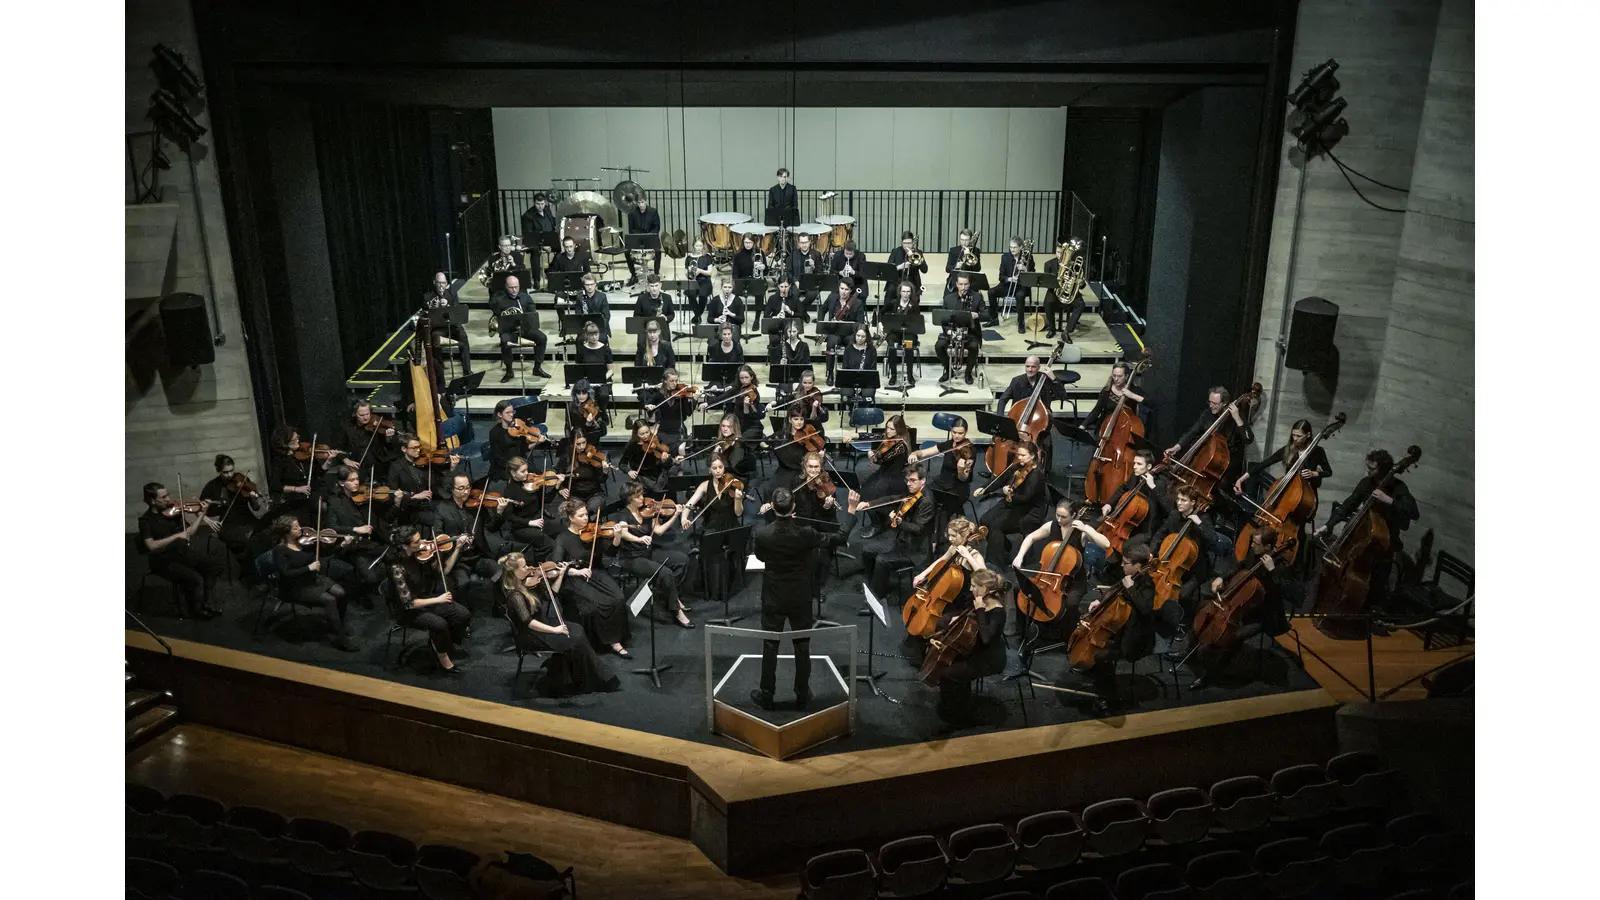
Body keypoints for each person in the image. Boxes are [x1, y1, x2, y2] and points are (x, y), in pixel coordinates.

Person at [750, 487, 851, 710]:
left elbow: (760, 556)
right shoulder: (806, 534)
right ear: (793, 508)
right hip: (800, 596)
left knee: (770, 645)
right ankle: (802, 694)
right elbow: (839, 538)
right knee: (802, 646)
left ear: (774, 508)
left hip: (774, 596)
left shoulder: (763, 534)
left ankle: (767, 694)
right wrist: (851, 512)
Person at [499, 552, 620, 695]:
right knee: (574, 639)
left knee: (578, 630)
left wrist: (561, 575)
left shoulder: (529, 583)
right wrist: (555, 630)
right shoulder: (515, 596)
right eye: (524, 567)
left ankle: (584, 676)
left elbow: (552, 595)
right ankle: (588, 679)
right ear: (514, 572)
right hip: (531, 634)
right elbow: (528, 622)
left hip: (541, 625)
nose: (530, 568)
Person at [1315, 448, 1420, 610]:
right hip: (1362, 538)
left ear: (1383, 469)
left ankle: (1368, 613)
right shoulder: (1366, 483)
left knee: (1375, 584)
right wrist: (1328, 525)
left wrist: (1390, 501)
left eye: (1372, 469)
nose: (1368, 471)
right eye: (1368, 467)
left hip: (1384, 543)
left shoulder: (1399, 488)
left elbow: (1414, 513)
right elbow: (1347, 506)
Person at [1186, 526, 1289, 690]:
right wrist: (1221, 578)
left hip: (1261, 615)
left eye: (1256, 544)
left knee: (1231, 636)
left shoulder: (1280, 566)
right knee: (1203, 610)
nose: (1252, 546)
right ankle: (1188, 653)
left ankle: (1210, 675)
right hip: (1238, 605)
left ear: (1268, 547)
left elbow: (1285, 592)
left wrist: (1272, 571)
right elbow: (1239, 567)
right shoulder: (1255, 554)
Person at [1072, 539, 1158, 716]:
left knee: (1101, 656)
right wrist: (1100, 601)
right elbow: (1114, 590)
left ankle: (1111, 698)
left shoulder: (1147, 584)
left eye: (1126, 563)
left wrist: (1132, 589)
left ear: (1139, 567)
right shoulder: (1129, 577)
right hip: (1119, 630)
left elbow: (1146, 609)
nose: (1121, 565)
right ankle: (1098, 677)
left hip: (1134, 639)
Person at [929, 568, 1010, 730]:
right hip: (975, 649)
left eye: (973, 586)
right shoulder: (978, 600)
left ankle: (961, 716)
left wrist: (979, 610)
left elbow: (986, 639)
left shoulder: (998, 612)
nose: (970, 589)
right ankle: (956, 705)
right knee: (950, 664)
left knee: (948, 674)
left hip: (989, 659)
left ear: (984, 589)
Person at [550, 499, 632, 657]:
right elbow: (557, 565)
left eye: (586, 514)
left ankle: (615, 639)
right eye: (581, 516)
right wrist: (576, 572)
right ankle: (599, 643)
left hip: (596, 571)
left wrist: (617, 537)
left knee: (618, 598)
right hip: (574, 577)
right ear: (571, 518)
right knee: (594, 606)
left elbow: (610, 553)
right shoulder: (563, 538)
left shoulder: (595, 531)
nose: (586, 518)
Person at [386, 525, 473, 675]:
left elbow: (444, 571)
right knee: (439, 624)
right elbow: (409, 603)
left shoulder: (421, 556)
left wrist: (457, 548)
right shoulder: (397, 568)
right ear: (405, 546)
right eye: (417, 542)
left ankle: (440, 643)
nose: (422, 544)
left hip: (426, 598)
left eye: (421, 539)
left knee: (463, 614)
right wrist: (439, 599)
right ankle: (443, 658)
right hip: (408, 610)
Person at [269, 516, 359, 651]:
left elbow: (327, 554)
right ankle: (341, 638)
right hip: (295, 587)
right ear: (286, 532)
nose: (301, 529)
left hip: (312, 579)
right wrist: (309, 568)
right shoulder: (280, 550)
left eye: (299, 525)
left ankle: (336, 623)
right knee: (329, 600)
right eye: (296, 528)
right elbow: (285, 574)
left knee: (341, 593)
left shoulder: (305, 543)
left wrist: (342, 545)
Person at [610, 482, 693, 628]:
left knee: (682, 560)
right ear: (629, 498)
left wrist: (676, 515)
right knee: (665, 573)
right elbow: (623, 532)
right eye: (637, 496)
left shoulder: (649, 511)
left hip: (648, 552)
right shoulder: (622, 514)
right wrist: (639, 539)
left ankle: (670, 594)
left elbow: (659, 531)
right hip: (632, 558)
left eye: (641, 494)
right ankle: (677, 611)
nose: (642, 498)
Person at [975, 440, 1049, 601]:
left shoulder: (1037, 476)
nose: (1019, 458)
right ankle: (1003, 544)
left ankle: (995, 565)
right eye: (1018, 455)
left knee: (996, 526)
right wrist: (985, 488)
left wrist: (1006, 493)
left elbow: (1025, 497)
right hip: (1013, 501)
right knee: (984, 519)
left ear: (1033, 456)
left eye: (1023, 455)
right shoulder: (1016, 468)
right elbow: (1000, 480)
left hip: (1029, 510)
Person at [427, 474, 509, 614]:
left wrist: (499, 512)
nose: (466, 492)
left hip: (477, 555)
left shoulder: (476, 505)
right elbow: (438, 536)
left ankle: (499, 606)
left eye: (468, 487)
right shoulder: (443, 509)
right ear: (451, 489)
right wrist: (456, 541)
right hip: (458, 559)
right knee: (462, 583)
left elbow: (491, 527)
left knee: (502, 573)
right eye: (461, 488)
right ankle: (464, 614)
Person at [139, 482, 223, 619]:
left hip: (179, 553)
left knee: (212, 566)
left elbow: (189, 532)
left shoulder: (173, 512)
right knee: (193, 578)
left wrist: (202, 515)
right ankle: (195, 610)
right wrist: (176, 536)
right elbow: (151, 546)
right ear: (152, 501)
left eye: (167, 495)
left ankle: (205, 603)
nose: (168, 499)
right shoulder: (145, 521)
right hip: (161, 560)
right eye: (163, 497)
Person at [1011, 499, 1095, 629]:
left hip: (1073, 578)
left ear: (1074, 515)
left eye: (1063, 517)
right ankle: (1020, 627)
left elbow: (1105, 543)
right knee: (1019, 587)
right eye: (1057, 515)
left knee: (1070, 603)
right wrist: (1019, 556)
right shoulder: (1052, 525)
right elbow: (1031, 537)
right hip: (1049, 571)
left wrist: (1087, 529)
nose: (1059, 520)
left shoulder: (1081, 532)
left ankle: (1069, 634)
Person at [860, 466, 937, 605]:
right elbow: (892, 498)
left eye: (913, 480)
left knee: (882, 560)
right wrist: (869, 503)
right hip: (902, 539)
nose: (908, 483)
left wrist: (900, 523)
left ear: (923, 481)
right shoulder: (911, 493)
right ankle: (877, 585)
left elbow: (918, 529)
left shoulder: (927, 501)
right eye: (907, 480)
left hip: (915, 550)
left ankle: (876, 599)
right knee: (867, 551)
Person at [681, 454, 746, 607]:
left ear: (725, 467)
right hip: (712, 525)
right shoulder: (705, 486)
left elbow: (738, 513)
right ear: (710, 470)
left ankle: (728, 586)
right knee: (709, 544)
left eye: (721, 467)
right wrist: (684, 517)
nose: (718, 471)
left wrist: (737, 499)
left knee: (729, 544)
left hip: (730, 523)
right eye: (714, 468)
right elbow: (689, 504)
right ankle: (712, 588)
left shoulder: (732, 484)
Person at [1165, 386, 1249, 496]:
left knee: (1220, 488)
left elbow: (1248, 439)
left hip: (1225, 464)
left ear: (1224, 403)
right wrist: (1176, 447)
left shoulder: (1235, 417)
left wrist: (1237, 418)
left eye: (1215, 403)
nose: (1211, 405)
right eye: (1210, 402)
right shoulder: (1207, 414)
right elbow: (1192, 432)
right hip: (1205, 457)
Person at [994, 355, 1070, 472]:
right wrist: (1000, 418)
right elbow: (1003, 399)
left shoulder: (1046, 380)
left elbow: (1063, 396)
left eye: (1033, 367)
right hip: (1019, 423)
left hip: (1039, 424)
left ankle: (1043, 474)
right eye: (1027, 366)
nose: (1030, 369)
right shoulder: (1017, 381)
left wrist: (1053, 378)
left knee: (1047, 446)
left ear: (1039, 367)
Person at [1234, 418, 1332, 498]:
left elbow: (1328, 472)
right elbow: (1264, 463)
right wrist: (1240, 480)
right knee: (1255, 470)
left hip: (1304, 495)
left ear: (1308, 435)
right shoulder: (1288, 449)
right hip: (1286, 488)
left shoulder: (1317, 451)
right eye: (1293, 435)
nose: (1295, 439)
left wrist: (1314, 473)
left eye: (1299, 436)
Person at [200, 454, 270, 562]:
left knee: (267, 534)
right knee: (248, 542)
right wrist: (208, 520)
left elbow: (255, 508)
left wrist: (253, 499)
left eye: (232, 470)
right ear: (218, 470)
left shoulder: (241, 479)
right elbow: (198, 509)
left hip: (247, 519)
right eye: (225, 472)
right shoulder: (212, 486)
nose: (230, 475)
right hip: (228, 524)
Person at [858, 414, 912, 539]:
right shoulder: (889, 438)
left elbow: (881, 459)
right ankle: (879, 520)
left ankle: (877, 524)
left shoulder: (900, 446)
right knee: (864, 491)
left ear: (899, 430)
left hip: (893, 479)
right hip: (884, 473)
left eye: (892, 429)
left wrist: (872, 455)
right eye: (887, 427)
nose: (888, 431)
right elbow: (872, 436)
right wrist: (855, 436)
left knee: (868, 496)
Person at [491, 275, 550, 383]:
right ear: (506, 287)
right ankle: (509, 371)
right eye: (511, 287)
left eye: (516, 287)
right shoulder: (500, 300)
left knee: (542, 338)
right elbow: (497, 315)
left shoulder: (525, 297)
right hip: (509, 330)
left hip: (524, 329)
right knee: (504, 342)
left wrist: (525, 316)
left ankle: (537, 367)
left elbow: (532, 312)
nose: (514, 290)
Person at [499, 456, 559, 559]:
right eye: (523, 471)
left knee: (560, 530)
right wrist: (529, 522)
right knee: (551, 544)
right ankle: (541, 561)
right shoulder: (510, 491)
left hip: (538, 519)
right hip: (522, 527)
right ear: (513, 473)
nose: (527, 473)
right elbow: (509, 516)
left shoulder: (533, 483)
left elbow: (546, 500)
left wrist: (557, 487)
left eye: (527, 469)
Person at [909, 416, 977, 508]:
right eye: (954, 432)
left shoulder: (970, 451)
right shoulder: (948, 444)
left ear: (966, 432)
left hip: (957, 488)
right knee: (921, 495)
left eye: (960, 433)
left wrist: (961, 470)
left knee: (942, 510)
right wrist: (914, 454)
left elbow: (963, 478)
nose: (956, 436)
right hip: (941, 483)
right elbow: (923, 452)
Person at [938, 273, 986, 385]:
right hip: (953, 331)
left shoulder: (977, 297)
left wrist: (977, 315)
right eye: (961, 284)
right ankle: (948, 369)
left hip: (970, 333)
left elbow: (987, 315)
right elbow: (943, 319)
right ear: (956, 284)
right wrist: (948, 331)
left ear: (970, 284)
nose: (963, 287)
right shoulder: (948, 298)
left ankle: (968, 373)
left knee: (974, 347)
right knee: (939, 346)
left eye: (966, 284)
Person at [422, 272, 472, 373]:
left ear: (447, 284)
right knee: (435, 338)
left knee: (463, 337)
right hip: (439, 328)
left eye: (443, 283)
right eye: (439, 283)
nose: (441, 286)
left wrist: (448, 305)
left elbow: (458, 313)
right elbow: (425, 316)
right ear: (434, 283)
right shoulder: (428, 297)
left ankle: (467, 370)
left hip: (453, 326)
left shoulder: (452, 294)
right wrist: (434, 309)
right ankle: (440, 368)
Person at [620, 420, 684, 498]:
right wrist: (629, 471)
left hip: (658, 470)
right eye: (642, 434)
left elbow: (667, 460)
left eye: (647, 432)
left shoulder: (654, 439)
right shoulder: (632, 446)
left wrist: (664, 460)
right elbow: (622, 464)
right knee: (656, 489)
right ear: (636, 434)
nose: (646, 436)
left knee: (671, 488)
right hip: (643, 474)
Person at [821, 276, 865, 385]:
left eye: (846, 290)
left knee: (852, 344)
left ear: (851, 291)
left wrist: (847, 326)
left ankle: (848, 372)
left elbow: (860, 322)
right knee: (831, 343)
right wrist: (822, 326)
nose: (843, 292)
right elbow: (822, 310)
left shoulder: (857, 303)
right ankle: (830, 373)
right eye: (841, 288)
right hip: (834, 332)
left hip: (849, 334)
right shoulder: (832, 298)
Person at [488, 399, 545, 483]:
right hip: (505, 466)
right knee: (523, 479)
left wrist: (538, 442)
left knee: (539, 475)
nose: (511, 415)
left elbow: (525, 448)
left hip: (520, 462)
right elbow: (498, 457)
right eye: (508, 413)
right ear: (500, 414)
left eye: (512, 412)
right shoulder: (494, 433)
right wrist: (514, 468)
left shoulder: (518, 428)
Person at [640, 367, 696, 451]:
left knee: (679, 449)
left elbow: (688, 412)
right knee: (658, 448)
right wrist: (648, 406)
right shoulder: (659, 394)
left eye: (676, 381)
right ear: (665, 381)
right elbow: (647, 403)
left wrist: (695, 400)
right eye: (671, 381)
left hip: (678, 429)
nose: (675, 383)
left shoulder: (682, 394)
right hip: (664, 429)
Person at [877, 281, 921, 389]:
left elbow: (917, 322)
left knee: (909, 348)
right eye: (903, 291)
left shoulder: (914, 305)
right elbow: (880, 313)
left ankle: (910, 375)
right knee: (892, 347)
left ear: (911, 293)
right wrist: (880, 324)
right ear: (900, 292)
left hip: (909, 333)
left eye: (908, 292)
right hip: (894, 332)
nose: (906, 294)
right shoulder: (893, 303)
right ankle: (893, 375)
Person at [1082, 362, 1145, 436]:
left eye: (1119, 376)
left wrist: (1131, 395)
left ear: (1127, 376)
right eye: (1114, 376)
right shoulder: (1106, 391)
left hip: (1125, 430)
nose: (1116, 379)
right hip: (1106, 427)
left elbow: (1149, 402)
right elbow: (1097, 410)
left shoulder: (1134, 390)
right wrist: (1083, 425)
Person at [555, 430, 609, 514]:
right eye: (578, 444)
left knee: (590, 509)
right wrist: (561, 489)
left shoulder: (592, 455)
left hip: (594, 494)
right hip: (574, 495)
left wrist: (605, 471)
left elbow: (601, 480)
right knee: (577, 512)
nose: (582, 447)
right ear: (572, 443)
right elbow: (558, 476)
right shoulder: (566, 457)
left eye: (584, 442)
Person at [1042, 238, 1087, 339]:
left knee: (1081, 304)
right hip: (1055, 292)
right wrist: (1060, 279)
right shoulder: (1049, 264)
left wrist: (1081, 282)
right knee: (1047, 302)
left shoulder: (1076, 265)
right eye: (1058, 252)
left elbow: (1082, 286)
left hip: (1069, 294)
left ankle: (1067, 331)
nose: (1060, 255)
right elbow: (1048, 283)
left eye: (1062, 253)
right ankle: (1052, 329)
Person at [343, 402, 399, 480]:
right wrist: (346, 460)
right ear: (355, 414)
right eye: (361, 415)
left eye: (367, 414)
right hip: (357, 467)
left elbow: (391, 447)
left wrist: (389, 438)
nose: (365, 418)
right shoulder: (348, 428)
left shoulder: (377, 424)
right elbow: (339, 447)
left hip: (379, 467)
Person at [989, 237, 1034, 333]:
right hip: (1007, 284)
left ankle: (1021, 324)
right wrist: (1009, 278)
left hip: (1021, 286)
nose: (1012, 250)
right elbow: (1001, 276)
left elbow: (1032, 275)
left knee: (1020, 296)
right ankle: (993, 319)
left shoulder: (1028, 257)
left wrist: (1025, 269)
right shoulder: (1005, 257)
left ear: (1021, 247)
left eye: (1015, 247)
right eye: (1010, 247)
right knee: (991, 292)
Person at [519, 193, 559, 291]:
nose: (540, 206)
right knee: (535, 252)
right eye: (538, 204)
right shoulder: (528, 216)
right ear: (534, 203)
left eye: (542, 204)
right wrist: (543, 244)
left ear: (545, 202)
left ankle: (551, 270)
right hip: (535, 241)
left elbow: (553, 222)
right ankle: (536, 279)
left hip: (549, 238)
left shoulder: (547, 210)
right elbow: (529, 234)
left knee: (561, 247)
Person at [764, 281, 805, 363]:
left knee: (794, 339)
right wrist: (775, 317)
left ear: (789, 286)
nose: (784, 289)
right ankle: (775, 364)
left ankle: (792, 363)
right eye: (781, 286)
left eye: (786, 286)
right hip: (775, 327)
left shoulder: (795, 299)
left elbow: (802, 315)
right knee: (775, 340)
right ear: (778, 286)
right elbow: (766, 315)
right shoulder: (772, 298)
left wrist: (790, 312)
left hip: (790, 328)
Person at [625, 194, 662, 283]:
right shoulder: (632, 213)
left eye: (642, 202)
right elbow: (631, 229)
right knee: (627, 252)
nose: (641, 205)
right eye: (639, 203)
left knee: (658, 251)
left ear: (645, 201)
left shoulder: (653, 212)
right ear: (636, 203)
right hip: (638, 238)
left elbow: (656, 227)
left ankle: (656, 273)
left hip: (650, 238)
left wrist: (648, 235)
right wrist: (640, 235)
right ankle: (633, 275)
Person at [786, 231, 823, 319]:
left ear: (810, 242)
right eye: (802, 243)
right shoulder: (793, 255)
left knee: (812, 295)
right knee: (793, 294)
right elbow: (789, 272)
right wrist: (795, 281)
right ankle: (803, 314)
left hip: (811, 283)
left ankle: (800, 312)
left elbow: (820, 273)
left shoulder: (816, 254)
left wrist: (814, 266)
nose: (804, 245)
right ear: (798, 243)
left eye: (806, 242)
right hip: (797, 282)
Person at [839, 324, 877, 407]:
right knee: (847, 395)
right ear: (854, 335)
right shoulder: (848, 348)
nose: (860, 338)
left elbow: (873, 370)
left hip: (866, 381)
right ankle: (852, 413)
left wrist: (863, 381)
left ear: (867, 337)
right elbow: (845, 368)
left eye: (863, 336)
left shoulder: (871, 349)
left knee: (868, 394)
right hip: (850, 380)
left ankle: (864, 414)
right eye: (858, 335)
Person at [886, 231, 929, 297]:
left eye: (909, 243)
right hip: (897, 281)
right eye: (905, 243)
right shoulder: (895, 251)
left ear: (912, 243)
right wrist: (900, 267)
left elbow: (924, 270)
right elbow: (888, 268)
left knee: (913, 295)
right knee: (890, 291)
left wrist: (913, 257)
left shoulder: (918, 252)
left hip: (912, 282)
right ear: (902, 243)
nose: (907, 245)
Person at [570, 274, 612, 339]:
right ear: (584, 285)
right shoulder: (580, 297)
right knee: (579, 341)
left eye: (592, 284)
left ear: (595, 284)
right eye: (587, 285)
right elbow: (578, 315)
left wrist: (598, 327)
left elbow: (607, 315)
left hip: (599, 327)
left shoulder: (602, 296)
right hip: (585, 328)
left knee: (602, 339)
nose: (589, 287)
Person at [567, 378, 606, 446]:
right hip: (577, 435)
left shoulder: (594, 404)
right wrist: (570, 441)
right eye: (578, 393)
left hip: (591, 436)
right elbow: (567, 425)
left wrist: (588, 423)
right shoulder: (571, 405)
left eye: (584, 393)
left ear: (588, 392)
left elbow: (597, 427)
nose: (581, 396)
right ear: (575, 393)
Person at [685, 240, 715, 324]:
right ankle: (698, 315)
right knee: (690, 294)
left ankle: (697, 316)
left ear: (703, 246)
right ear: (693, 246)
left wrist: (700, 271)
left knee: (702, 295)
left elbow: (709, 272)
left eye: (700, 246)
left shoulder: (707, 257)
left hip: (705, 281)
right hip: (694, 281)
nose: (699, 248)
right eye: (697, 246)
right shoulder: (689, 258)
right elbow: (686, 274)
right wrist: (689, 271)